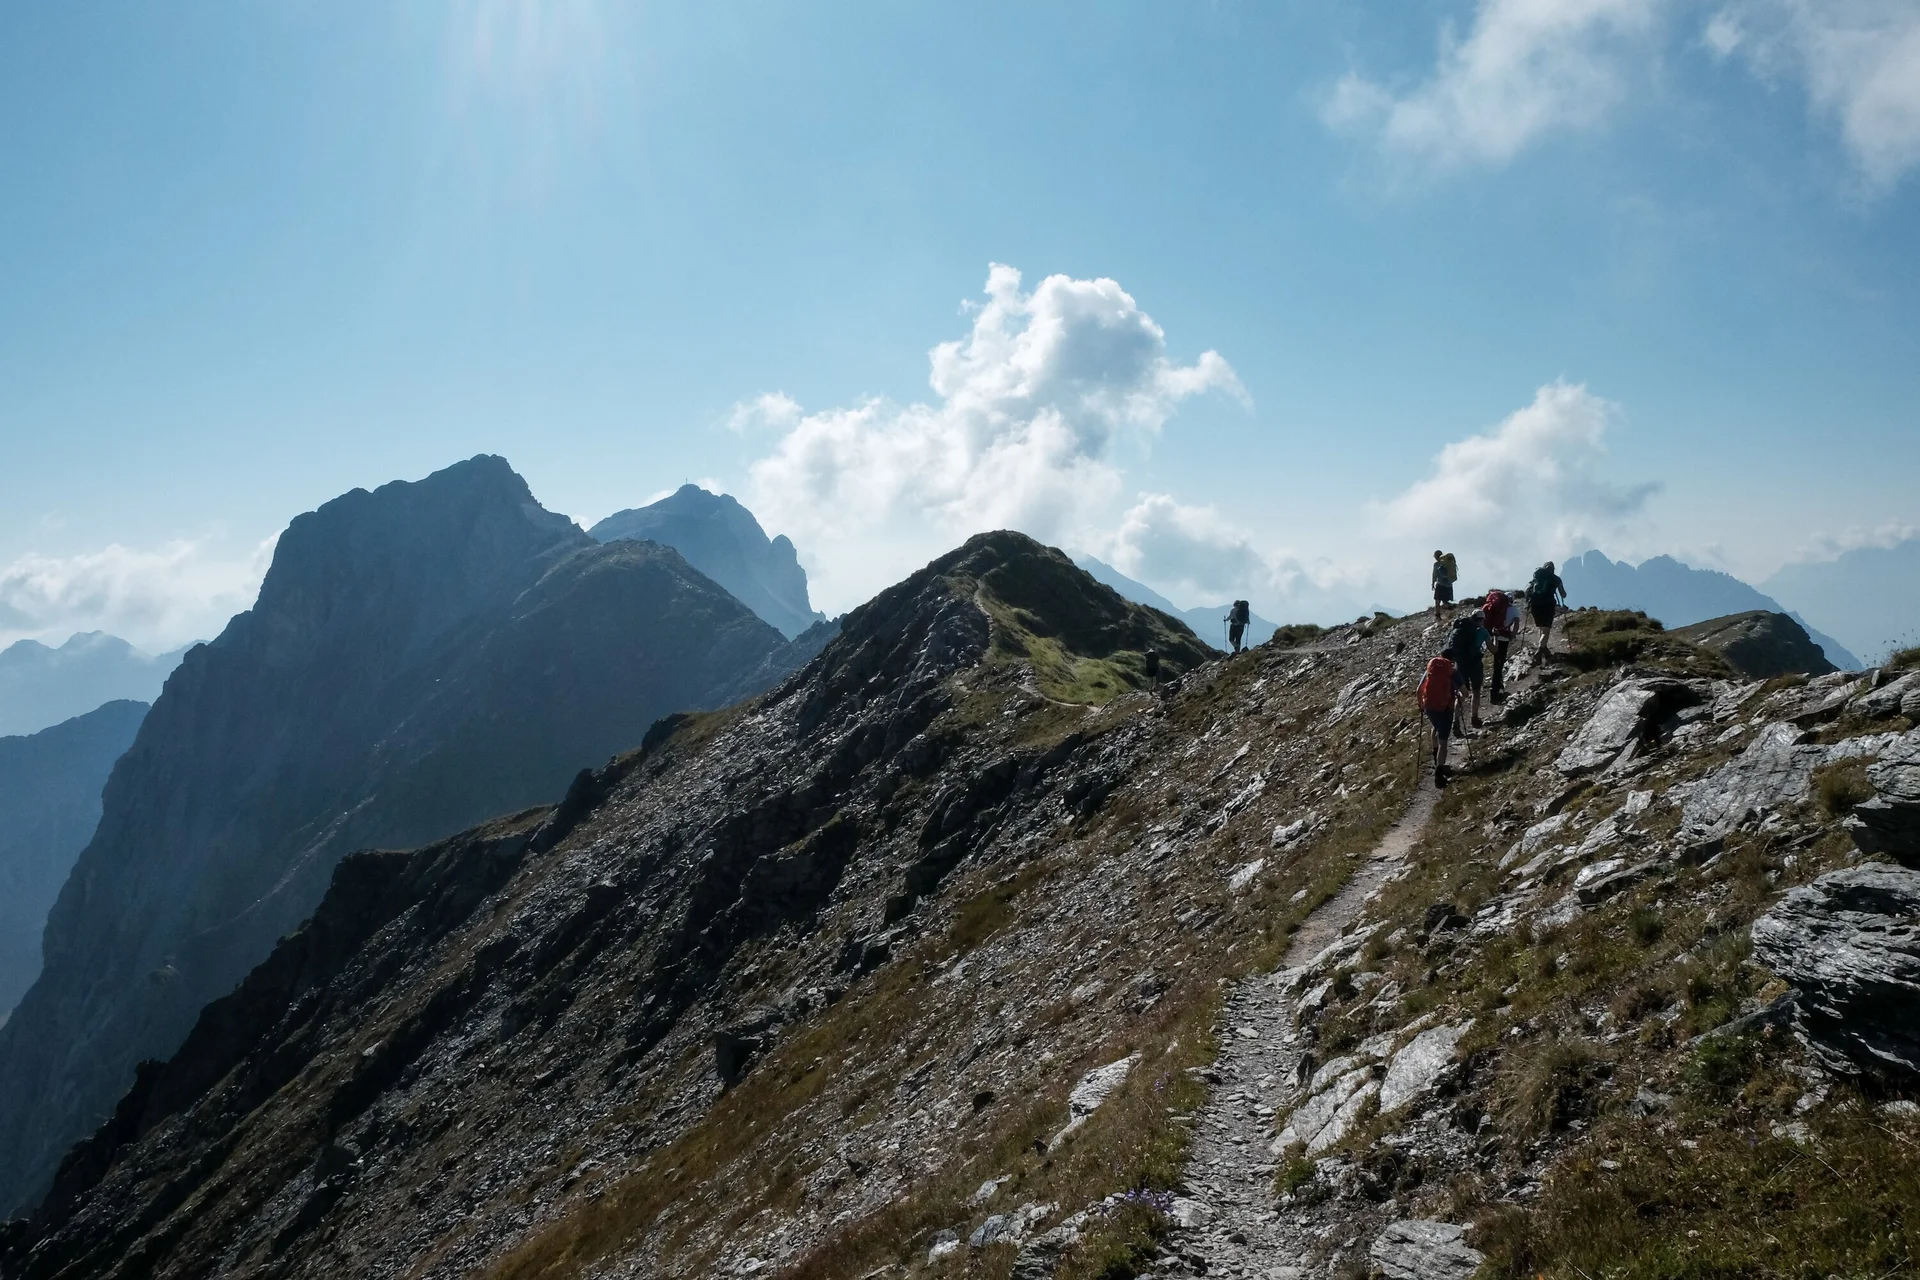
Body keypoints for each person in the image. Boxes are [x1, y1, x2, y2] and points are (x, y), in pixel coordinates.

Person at [1418, 645, 1462, 784]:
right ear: (1452, 660)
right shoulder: (1452, 671)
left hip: (1429, 706)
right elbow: (1465, 692)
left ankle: (1435, 755)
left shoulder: (1431, 669)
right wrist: (1459, 697)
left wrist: (1421, 705)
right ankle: (1439, 774)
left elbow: (1419, 690)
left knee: (1435, 727)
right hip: (1445, 708)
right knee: (1444, 742)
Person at [1448, 607, 1489, 730]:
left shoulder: (1459, 629)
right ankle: (1474, 717)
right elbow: (1493, 649)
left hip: (1460, 664)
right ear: (1481, 620)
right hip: (1475, 664)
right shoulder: (1481, 631)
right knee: (1476, 692)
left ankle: (1456, 722)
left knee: (1461, 693)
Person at [1483, 587, 1520, 703]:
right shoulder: (1513, 609)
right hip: (1503, 638)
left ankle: (1498, 687)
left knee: (1497, 663)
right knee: (1499, 665)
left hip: (1493, 636)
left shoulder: (1495, 607)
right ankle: (1494, 694)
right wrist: (1513, 635)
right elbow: (1517, 623)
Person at [1526, 561, 1568, 660]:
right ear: (1553, 569)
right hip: (1548, 605)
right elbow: (1563, 595)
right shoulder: (1556, 579)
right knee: (1546, 630)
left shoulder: (1538, 575)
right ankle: (1540, 650)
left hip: (1535, 605)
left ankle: (1545, 649)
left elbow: (1528, 589)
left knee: (1541, 627)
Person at [1431, 550, 1458, 620]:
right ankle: (1452, 610)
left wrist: (1433, 583)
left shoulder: (1436, 564)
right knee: (1445, 601)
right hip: (1449, 584)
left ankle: (1438, 616)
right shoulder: (1448, 563)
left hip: (1440, 585)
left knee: (1437, 600)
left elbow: (1434, 575)